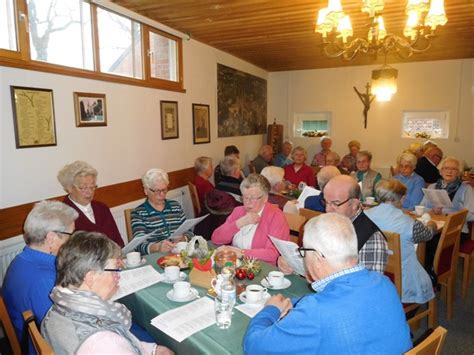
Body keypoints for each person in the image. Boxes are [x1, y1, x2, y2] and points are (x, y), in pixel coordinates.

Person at [243, 213, 412, 354]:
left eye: (303, 252)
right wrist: (294, 303)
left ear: (317, 258)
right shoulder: (383, 282)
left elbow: (254, 347)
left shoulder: (315, 312)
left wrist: (270, 309)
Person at [41, 232, 173, 355]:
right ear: (91, 278)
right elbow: (109, 345)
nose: (119, 276)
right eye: (115, 269)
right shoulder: (105, 343)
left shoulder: (57, 309)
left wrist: (152, 349)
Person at [3, 200, 78, 351]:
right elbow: (67, 335)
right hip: (44, 347)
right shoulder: (46, 281)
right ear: (51, 238)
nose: (72, 240)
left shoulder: (21, 260)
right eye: (70, 235)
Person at [279, 175, 388, 273]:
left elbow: (369, 288)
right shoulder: (326, 222)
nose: (327, 209)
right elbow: (311, 256)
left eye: (335, 204)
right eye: (325, 202)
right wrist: (290, 262)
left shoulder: (371, 239)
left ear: (354, 204)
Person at [366, 179, 437, 303]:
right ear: (402, 198)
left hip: (372, 273)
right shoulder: (409, 223)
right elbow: (428, 235)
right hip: (402, 280)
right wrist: (432, 224)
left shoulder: (364, 215)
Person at [212, 174, 290, 265]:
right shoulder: (238, 211)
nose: (248, 203)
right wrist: (239, 223)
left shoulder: (276, 216)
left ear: (265, 198)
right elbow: (216, 238)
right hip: (236, 264)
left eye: (252, 198)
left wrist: (241, 253)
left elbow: (272, 254)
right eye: (245, 197)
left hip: (262, 268)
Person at [57, 160, 124, 247]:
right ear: (69, 188)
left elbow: (118, 240)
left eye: (92, 186)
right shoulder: (62, 215)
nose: (89, 192)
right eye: (83, 187)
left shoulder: (102, 208)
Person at [131, 168, 192, 255]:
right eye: (157, 191)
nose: (162, 195)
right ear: (146, 190)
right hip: (156, 258)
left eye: (164, 190)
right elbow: (139, 246)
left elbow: (190, 232)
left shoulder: (175, 206)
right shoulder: (138, 213)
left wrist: (184, 238)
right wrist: (158, 247)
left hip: (179, 255)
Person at [421, 157, 474, 234]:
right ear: (441, 171)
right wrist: (432, 211)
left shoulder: (466, 189)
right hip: (432, 226)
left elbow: (471, 215)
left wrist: (447, 215)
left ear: (458, 173)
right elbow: (421, 208)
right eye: (446, 168)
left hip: (455, 230)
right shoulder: (432, 187)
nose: (449, 171)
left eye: (454, 169)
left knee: (426, 242)